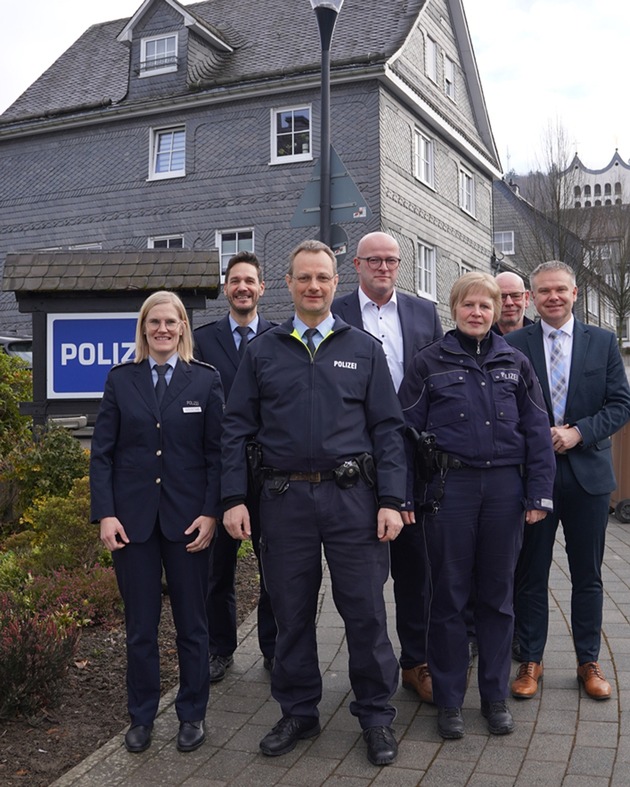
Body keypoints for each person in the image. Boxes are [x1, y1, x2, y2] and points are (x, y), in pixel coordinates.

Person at [221, 239, 406, 767]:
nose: (313, 286)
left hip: (353, 499)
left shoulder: (363, 348)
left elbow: (388, 430)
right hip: (284, 501)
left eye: (322, 277)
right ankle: (299, 711)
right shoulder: (263, 351)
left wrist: (391, 499)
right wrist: (234, 498)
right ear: (288, 283)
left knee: (365, 612)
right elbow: (235, 429)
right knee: (291, 613)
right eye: (303, 277)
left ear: (335, 282)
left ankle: (376, 715)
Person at [398, 271, 555, 740]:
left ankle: (493, 697)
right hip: (450, 491)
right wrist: (402, 495)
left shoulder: (516, 363)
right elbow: (403, 435)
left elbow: (537, 431)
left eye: (485, 306)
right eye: (468, 304)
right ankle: (449, 700)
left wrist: (539, 494)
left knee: (497, 599)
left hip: (505, 491)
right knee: (447, 597)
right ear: (454, 309)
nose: (477, 312)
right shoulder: (428, 363)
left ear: (496, 311)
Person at [90, 291, 224, 754]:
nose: (163, 329)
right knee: (141, 629)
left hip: (189, 523)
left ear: (183, 326)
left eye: (171, 321)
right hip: (133, 525)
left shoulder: (204, 380)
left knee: (193, 626)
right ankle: (142, 716)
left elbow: (217, 455)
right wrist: (106, 514)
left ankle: (192, 714)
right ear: (143, 329)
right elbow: (102, 454)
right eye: (154, 322)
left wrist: (211, 512)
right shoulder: (120, 380)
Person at [506, 261, 630, 700]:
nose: (552, 297)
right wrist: (537, 437)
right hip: (533, 478)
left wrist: (579, 432)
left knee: (588, 576)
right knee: (531, 573)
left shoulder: (603, 342)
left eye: (560, 289)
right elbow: (504, 407)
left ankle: (587, 662)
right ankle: (530, 660)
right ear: (531, 298)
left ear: (575, 293)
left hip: (588, 477)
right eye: (543, 291)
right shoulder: (514, 344)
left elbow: (620, 404)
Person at [332, 230, 442, 704]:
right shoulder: (335, 311)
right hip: (352, 461)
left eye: (391, 260)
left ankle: (416, 661)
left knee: (417, 570)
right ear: (356, 265)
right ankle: (369, 669)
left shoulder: (424, 313)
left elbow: (439, 378)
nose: (383, 267)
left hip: (412, 460)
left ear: (401, 265)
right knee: (364, 578)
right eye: (373, 260)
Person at [194, 251, 277, 682]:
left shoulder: (281, 338)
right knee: (217, 570)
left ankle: (274, 649)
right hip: (219, 469)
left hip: (270, 473)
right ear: (225, 289)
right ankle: (219, 649)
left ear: (262, 287)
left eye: (249, 281)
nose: (242, 287)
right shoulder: (202, 341)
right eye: (234, 281)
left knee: (273, 569)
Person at [492, 271, 533, 335]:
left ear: (526, 298)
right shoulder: (480, 337)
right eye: (502, 297)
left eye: (515, 296)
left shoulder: (542, 337)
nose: (509, 303)